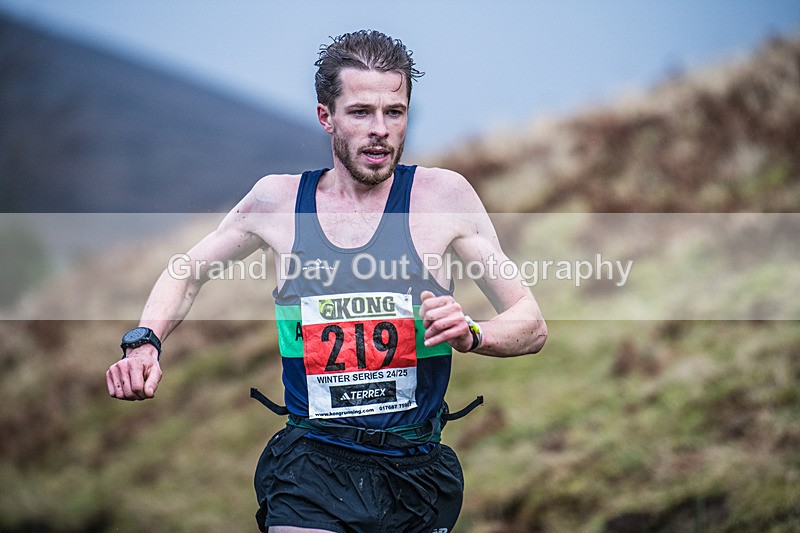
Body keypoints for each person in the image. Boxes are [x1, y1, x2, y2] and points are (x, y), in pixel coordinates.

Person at [106, 29, 547, 533]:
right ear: (326, 117)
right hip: (311, 466)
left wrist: (473, 334)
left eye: (395, 112)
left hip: (415, 472)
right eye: (361, 112)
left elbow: (530, 323)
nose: (380, 129)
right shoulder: (276, 202)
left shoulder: (442, 198)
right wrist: (144, 342)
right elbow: (185, 273)